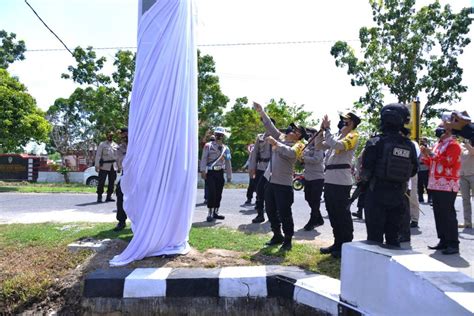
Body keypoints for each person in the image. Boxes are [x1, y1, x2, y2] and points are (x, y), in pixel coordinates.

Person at [360, 104, 418, 248]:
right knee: (393, 239)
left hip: (376, 194)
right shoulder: (409, 145)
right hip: (398, 196)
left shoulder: (375, 141)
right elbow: (413, 170)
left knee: (374, 240)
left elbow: (366, 170)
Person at [253, 101, 306, 251]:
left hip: (284, 184)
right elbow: (270, 126)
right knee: (270, 210)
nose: (290, 130)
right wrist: (262, 112)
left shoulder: (299, 145)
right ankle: (277, 235)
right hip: (271, 181)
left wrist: (276, 143)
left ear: (299, 135)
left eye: (295, 130)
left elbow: (290, 153)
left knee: (285, 213)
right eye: (291, 128)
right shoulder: (281, 138)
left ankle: (288, 239)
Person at [317, 110, 360, 258]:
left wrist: (328, 130)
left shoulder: (353, 136)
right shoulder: (336, 135)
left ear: (352, 122)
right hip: (329, 179)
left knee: (342, 214)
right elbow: (319, 146)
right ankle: (337, 242)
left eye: (345, 120)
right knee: (332, 212)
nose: (342, 122)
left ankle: (345, 244)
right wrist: (321, 130)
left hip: (341, 181)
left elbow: (336, 145)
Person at [421, 122, 461, 255]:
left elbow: (449, 161)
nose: (438, 130)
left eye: (441, 127)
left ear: (449, 130)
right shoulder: (438, 144)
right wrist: (426, 155)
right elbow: (432, 162)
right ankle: (443, 240)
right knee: (439, 213)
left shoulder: (453, 145)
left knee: (447, 213)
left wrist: (431, 154)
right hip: (435, 183)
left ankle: (453, 243)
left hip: (447, 183)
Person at [200, 127, 232, 222]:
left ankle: (216, 212)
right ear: (215, 134)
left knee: (219, 193)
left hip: (220, 173)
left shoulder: (226, 148)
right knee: (212, 193)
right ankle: (210, 213)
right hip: (211, 173)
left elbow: (228, 161)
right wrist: (202, 171)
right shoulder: (208, 146)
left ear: (223, 136)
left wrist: (229, 175)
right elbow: (204, 159)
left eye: (221, 135)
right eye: (217, 134)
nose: (219, 136)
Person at [248, 122, 274, 223]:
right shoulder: (260, 137)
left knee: (273, 193)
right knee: (259, 192)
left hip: (273, 168)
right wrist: (252, 168)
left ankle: (275, 216)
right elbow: (254, 153)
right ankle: (260, 215)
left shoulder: (279, 137)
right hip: (261, 167)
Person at [301, 129, 325, 230]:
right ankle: (319, 218)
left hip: (317, 177)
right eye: (309, 135)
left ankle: (313, 220)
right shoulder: (307, 147)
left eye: (311, 135)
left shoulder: (319, 146)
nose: (309, 137)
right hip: (308, 176)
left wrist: (303, 158)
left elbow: (317, 159)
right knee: (308, 198)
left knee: (315, 200)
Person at [95, 131, 119, 203]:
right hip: (104, 166)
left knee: (112, 182)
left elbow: (118, 157)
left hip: (113, 166)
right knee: (101, 182)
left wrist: (119, 166)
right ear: (106, 136)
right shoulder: (102, 144)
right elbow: (98, 155)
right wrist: (97, 165)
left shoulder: (116, 145)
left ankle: (109, 196)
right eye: (108, 135)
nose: (110, 137)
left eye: (111, 135)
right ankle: (99, 196)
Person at [114, 128, 128, 231]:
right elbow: (121, 162)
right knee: (119, 192)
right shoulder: (120, 148)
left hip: (140, 174)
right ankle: (121, 221)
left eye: (126, 135)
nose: (124, 137)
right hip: (127, 173)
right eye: (123, 136)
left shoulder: (139, 145)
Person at [459, 137, 474, 229]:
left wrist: (466, 143)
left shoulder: (470, 148)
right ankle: (467, 222)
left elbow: (472, 152)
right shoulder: (463, 148)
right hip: (463, 176)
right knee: (465, 200)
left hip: (473, 175)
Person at [417, 138, 432, 205]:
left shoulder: (428, 150)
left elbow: (430, 158)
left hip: (426, 169)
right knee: (419, 185)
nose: (422, 144)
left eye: (424, 142)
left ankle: (430, 198)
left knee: (427, 185)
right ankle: (420, 198)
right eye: (421, 142)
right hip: (419, 169)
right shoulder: (418, 150)